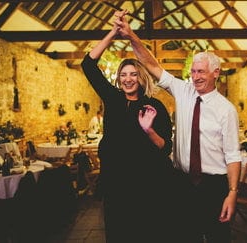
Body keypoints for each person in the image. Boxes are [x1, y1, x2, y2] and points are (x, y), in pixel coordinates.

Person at [115, 10, 242, 242]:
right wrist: (131, 35)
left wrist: (232, 193)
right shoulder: (183, 90)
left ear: (216, 72)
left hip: (213, 185)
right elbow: (150, 63)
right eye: (193, 71)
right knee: (185, 235)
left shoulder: (226, 110)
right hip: (182, 181)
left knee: (217, 237)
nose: (195, 77)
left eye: (200, 71)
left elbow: (233, 155)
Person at [80, 22, 175, 241]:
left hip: (147, 184)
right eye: (123, 75)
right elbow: (88, 64)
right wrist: (113, 32)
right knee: (117, 231)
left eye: (133, 74)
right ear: (118, 78)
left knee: (145, 232)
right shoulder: (112, 99)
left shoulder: (155, 106)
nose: (128, 79)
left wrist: (149, 129)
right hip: (116, 180)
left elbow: (165, 147)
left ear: (141, 77)